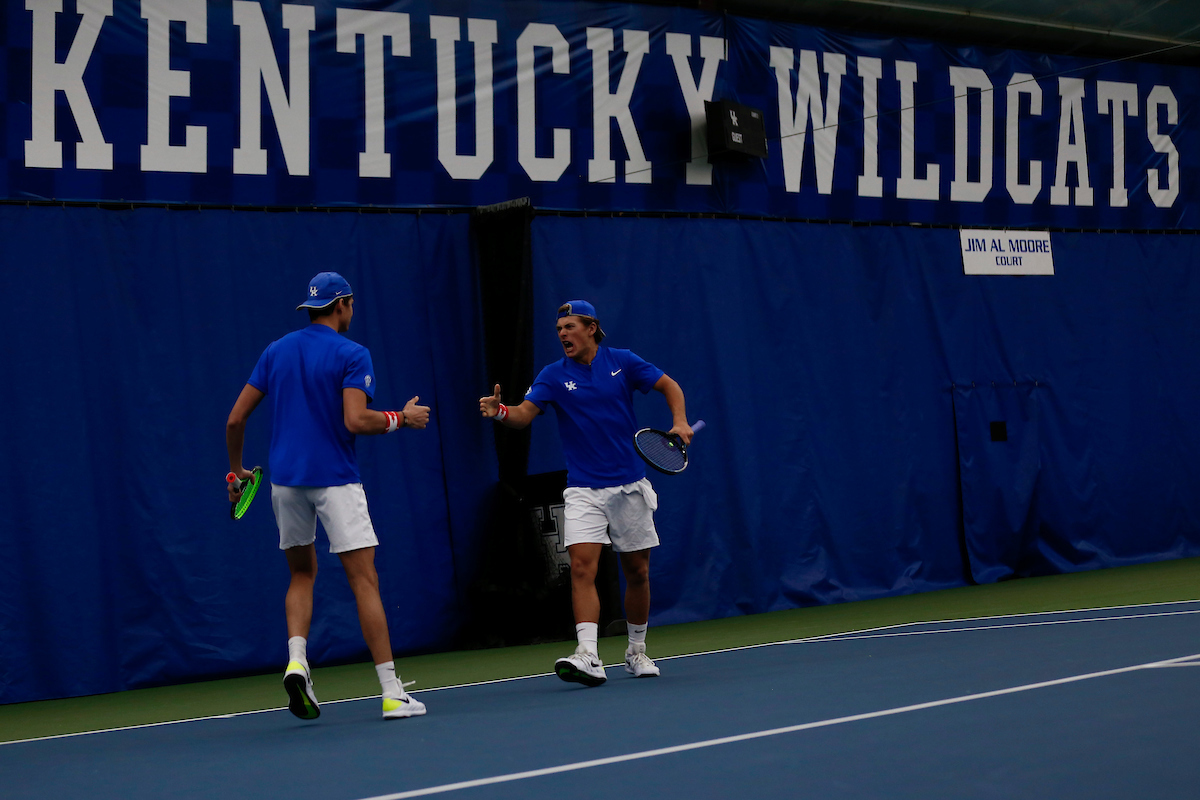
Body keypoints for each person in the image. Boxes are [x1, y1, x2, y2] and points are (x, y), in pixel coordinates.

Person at [226, 271, 430, 721]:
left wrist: (237, 469)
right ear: (343, 306)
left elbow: (235, 421)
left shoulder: (275, 350)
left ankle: (297, 661)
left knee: (301, 575)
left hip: (285, 484)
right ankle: (392, 692)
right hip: (335, 479)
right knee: (364, 580)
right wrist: (402, 418)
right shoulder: (352, 353)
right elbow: (355, 420)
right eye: (351, 306)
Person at [478, 300, 692, 686]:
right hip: (583, 490)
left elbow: (668, 385)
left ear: (591, 328)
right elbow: (525, 414)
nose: (562, 333)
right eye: (559, 328)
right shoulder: (552, 375)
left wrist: (679, 420)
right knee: (581, 568)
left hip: (629, 486)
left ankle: (636, 650)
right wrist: (500, 412)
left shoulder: (622, 361)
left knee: (638, 572)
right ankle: (589, 654)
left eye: (570, 326)